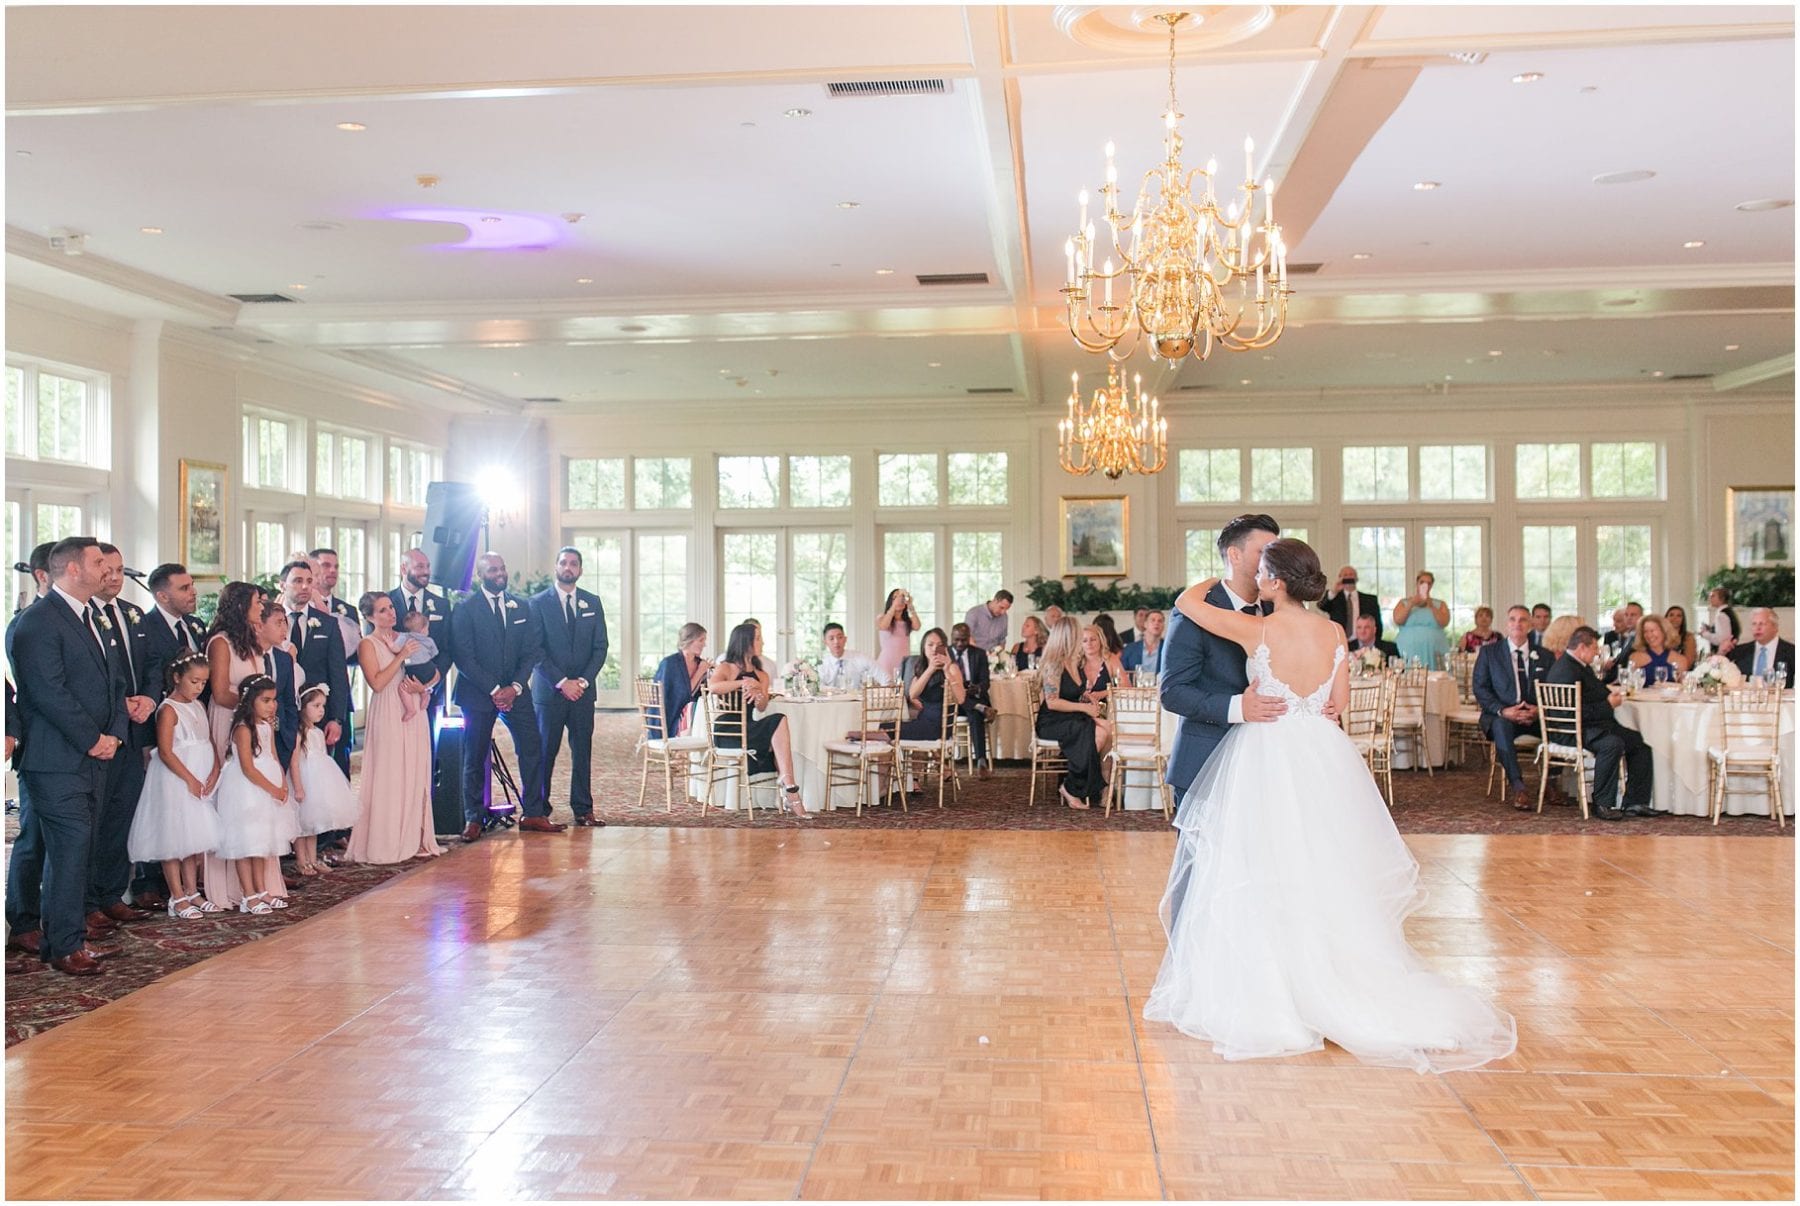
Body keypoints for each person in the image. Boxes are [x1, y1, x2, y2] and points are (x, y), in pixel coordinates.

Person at [1144, 537, 1516, 1071]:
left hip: (1266, 751)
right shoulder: (1335, 631)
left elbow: (1186, 603)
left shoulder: (1259, 629)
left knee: (1260, 866)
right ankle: (1333, 980)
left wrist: (1220, 572)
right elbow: (1337, 705)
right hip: (1322, 755)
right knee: (1322, 866)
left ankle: (1276, 989)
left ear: (1275, 581)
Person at [10, 538, 130, 975]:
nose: (108, 569)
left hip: (96, 753)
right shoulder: (37, 621)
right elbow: (47, 692)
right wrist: (90, 738)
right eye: (99, 562)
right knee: (69, 849)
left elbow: (115, 683)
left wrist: (115, 733)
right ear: (73, 570)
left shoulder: (92, 615)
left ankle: (67, 937)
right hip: (56, 757)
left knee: (82, 847)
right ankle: (64, 946)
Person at [1162, 514, 1287, 801]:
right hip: (1206, 758)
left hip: (1269, 763)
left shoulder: (1279, 609)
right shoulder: (1195, 610)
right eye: (1265, 553)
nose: (1275, 562)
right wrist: (1238, 707)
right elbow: (1173, 693)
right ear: (1235, 554)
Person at [449, 553, 555, 841]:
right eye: (493, 570)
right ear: (481, 575)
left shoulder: (522, 606)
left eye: (502, 568)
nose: (500, 573)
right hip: (478, 693)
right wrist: (495, 690)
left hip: (517, 692)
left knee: (532, 748)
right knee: (475, 755)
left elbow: (533, 649)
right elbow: (464, 656)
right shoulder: (466, 609)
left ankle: (533, 812)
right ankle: (474, 817)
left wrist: (516, 687)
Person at [86, 544, 157, 932]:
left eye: (120, 570)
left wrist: (147, 697)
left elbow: (152, 663)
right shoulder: (86, 617)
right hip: (103, 730)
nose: (113, 577)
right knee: (94, 820)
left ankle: (114, 893)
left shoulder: (132, 613)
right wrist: (120, 705)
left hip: (135, 727)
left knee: (121, 815)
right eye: (106, 569)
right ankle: (89, 900)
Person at [202, 582, 282, 911]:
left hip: (257, 724)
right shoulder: (220, 643)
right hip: (229, 723)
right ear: (239, 607)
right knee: (233, 801)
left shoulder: (253, 644)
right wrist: (251, 706)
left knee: (259, 805)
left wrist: (262, 711)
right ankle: (233, 888)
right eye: (255, 602)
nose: (261, 607)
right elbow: (220, 692)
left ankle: (262, 885)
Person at [348, 592, 442, 864]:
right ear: (369, 617)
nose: (390, 614)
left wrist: (424, 687)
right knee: (391, 772)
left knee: (414, 769)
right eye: (382, 611)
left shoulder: (405, 636)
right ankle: (386, 841)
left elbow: (432, 670)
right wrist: (400, 656)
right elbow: (377, 683)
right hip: (388, 708)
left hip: (412, 705)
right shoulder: (368, 644)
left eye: (390, 608)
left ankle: (414, 837)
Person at [126, 652, 221, 919]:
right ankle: (176, 896)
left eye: (203, 683)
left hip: (199, 777)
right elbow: (166, 751)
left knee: (192, 838)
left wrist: (214, 769)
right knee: (173, 838)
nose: (199, 687)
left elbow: (209, 740)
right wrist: (189, 778)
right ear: (177, 677)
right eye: (194, 681)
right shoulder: (168, 709)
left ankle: (192, 891)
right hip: (175, 780)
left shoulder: (199, 706)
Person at [530, 546, 610, 828]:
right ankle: (538, 810)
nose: (568, 567)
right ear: (556, 566)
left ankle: (583, 809)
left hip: (583, 694)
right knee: (545, 752)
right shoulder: (538, 603)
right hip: (550, 693)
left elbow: (601, 648)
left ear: (580, 570)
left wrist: (582, 682)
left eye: (574, 563)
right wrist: (562, 682)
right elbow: (535, 649)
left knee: (582, 753)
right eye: (564, 562)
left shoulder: (592, 602)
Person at [1546, 627, 1655, 819]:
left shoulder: (1578, 665)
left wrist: (1608, 695)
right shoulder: (1566, 670)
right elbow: (1570, 712)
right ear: (1582, 647)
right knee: (1612, 744)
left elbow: (1593, 691)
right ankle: (1602, 803)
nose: (1597, 652)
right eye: (1595, 647)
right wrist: (1607, 704)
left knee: (1639, 744)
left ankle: (1636, 802)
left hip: (1593, 725)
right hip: (1573, 730)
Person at [212, 675, 299, 913]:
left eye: (274, 700)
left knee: (262, 841)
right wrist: (271, 789)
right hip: (247, 790)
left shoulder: (266, 725)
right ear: (250, 701)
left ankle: (261, 890)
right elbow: (248, 768)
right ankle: (248, 895)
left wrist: (282, 784)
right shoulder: (242, 729)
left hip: (268, 785)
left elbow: (272, 755)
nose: (272, 705)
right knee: (246, 842)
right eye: (266, 700)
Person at [707, 622, 808, 818]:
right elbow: (713, 687)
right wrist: (743, 682)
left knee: (778, 719)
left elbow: (761, 707)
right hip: (728, 728)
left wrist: (760, 696)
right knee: (777, 724)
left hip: (749, 726)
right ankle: (791, 793)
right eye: (758, 638)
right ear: (745, 642)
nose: (762, 642)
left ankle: (789, 785)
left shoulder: (762, 674)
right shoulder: (726, 667)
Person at [1473, 606, 1554, 811]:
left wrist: (1539, 709)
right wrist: (1503, 710)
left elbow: (1552, 689)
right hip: (1504, 715)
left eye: (1523, 620)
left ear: (1530, 624)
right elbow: (1480, 689)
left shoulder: (1544, 655)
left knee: (1558, 723)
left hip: (1536, 716)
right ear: (1507, 623)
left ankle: (1551, 782)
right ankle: (1518, 786)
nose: (1517, 624)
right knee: (1500, 727)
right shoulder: (1490, 653)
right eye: (1512, 619)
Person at [275, 560, 350, 769]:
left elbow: (338, 673)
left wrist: (336, 718)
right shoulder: (269, 620)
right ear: (282, 585)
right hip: (279, 710)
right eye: (298, 581)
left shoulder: (327, 623)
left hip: (317, 712)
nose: (305, 586)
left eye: (309, 581)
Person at [1035, 616, 1106, 809]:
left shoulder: (1073, 662)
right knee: (1095, 732)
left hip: (1068, 717)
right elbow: (1052, 702)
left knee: (1104, 730)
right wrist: (1084, 708)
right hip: (1051, 722)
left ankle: (1075, 783)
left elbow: (1074, 691)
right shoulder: (1054, 665)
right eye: (1078, 634)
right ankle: (1071, 786)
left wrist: (1087, 697)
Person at [289, 684, 358, 875]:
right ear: (303, 706)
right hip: (303, 781)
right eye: (316, 706)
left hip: (318, 783)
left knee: (313, 824)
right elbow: (294, 762)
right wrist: (298, 787)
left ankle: (312, 859)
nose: (321, 711)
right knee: (301, 824)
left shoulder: (318, 733)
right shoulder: (298, 734)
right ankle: (301, 861)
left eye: (323, 706)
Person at [308, 547, 362, 776]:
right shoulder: (301, 608)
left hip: (339, 695)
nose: (332, 571)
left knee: (341, 758)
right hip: (309, 695)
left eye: (336, 566)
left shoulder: (347, 610)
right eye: (326, 565)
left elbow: (355, 655)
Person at [389, 548, 453, 724]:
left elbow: (447, 650)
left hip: (431, 693)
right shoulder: (385, 602)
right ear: (403, 569)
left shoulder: (442, 605)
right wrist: (405, 683)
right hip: (394, 689)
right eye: (419, 566)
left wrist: (429, 684)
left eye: (427, 566)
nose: (426, 571)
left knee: (428, 748)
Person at [899, 627, 966, 748]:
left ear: (945, 648)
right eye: (930, 645)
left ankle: (855, 735)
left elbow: (961, 699)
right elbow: (913, 694)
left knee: (888, 730)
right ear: (923, 648)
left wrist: (946, 671)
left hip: (940, 725)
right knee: (886, 729)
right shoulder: (921, 668)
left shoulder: (952, 668)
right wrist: (930, 669)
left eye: (939, 645)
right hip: (923, 720)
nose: (934, 649)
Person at [948, 623, 993, 776]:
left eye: (964, 640)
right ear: (951, 638)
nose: (960, 644)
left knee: (975, 715)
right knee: (975, 708)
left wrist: (977, 688)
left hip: (973, 695)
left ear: (969, 638)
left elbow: (986, 681)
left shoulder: (979, 654)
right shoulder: (945, 653)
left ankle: (981, 761)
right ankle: (980, 707)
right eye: (956, 640)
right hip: (953, 700)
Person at [652, 623, 712, 738]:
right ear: (689, 640)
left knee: (709, 712)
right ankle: (697, 749)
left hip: (693, 716)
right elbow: (683, 696)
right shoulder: (670, 664)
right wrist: (700, 671)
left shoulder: (700, 663)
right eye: (701, 640)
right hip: (671, 717)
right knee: (696, 710)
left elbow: (703, 693)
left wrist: (711, 675)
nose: (704, 644)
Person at [1393, 571, 1450, 669]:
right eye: (1422, 582)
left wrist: (1431, 606)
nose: (1425, 585)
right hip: (1408, 648)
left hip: (1434, 648)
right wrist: (1411, 603)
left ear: (1432, 585)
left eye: (1428, 583)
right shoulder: (1404, 603)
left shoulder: (1440, 604)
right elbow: (1398, 620)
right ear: (1417, 583)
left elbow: (1444, 622)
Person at [1077, 624, 1117, 757]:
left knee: (1106, 729)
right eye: (1084, 640)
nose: (1089, 643)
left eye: (1093, 639)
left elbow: (1126, 687)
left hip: (1105, 712)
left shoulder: (1110, 659)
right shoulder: (1074, 662)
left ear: (1101, 640)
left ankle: (1102, 773)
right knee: (1105, 730)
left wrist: (1102, 693)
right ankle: (1089, 770)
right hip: (1080, 713)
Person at [392, 608, 441, 718]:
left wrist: (390, 644)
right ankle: (425, 693)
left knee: (403, 688)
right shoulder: (429, 640)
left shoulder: (404, 636)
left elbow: (395, 649)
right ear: (424, 630)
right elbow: (434, 653)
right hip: (429, 668)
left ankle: (410, 709)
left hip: (413, 669)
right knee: (423, 683)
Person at [1728, 608, 1795, 687]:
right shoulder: (1740, 651)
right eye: (1754, 624)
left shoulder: (1792, 652)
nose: (1757, 628)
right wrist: (1721, 652)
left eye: (1762, 624)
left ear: (1775, 627)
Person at [1322, 566, 1382, 641]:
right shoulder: (1334, 598)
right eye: (1345, 575)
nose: (1348, 577)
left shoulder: (1370, 600)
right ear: (1340, 578)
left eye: (1351, 574)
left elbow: (1377, 624)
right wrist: (1334, 591)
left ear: (1356, 578)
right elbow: (1322, 606)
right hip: (1339, 640)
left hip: (1362, 643)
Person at [819, 622, 885, 690]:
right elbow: (819, 688)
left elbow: (884, 677)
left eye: (840, 637)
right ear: (825, 642)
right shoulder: (822, 664)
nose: (836, 641)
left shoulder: (860, 657)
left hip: (857, 699)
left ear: (845, 639)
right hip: (830, 699)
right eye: (831, 638)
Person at [1627, 615, 1688, 684]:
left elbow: (1684, 688)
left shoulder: (1680, 660)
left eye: (1652, 631)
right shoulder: (1635, 658)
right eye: (1645, 631)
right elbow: (1630, 686)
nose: (1649, 635)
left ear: (1664, 632)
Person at [876, 589, 920, 681]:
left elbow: (917, 626)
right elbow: (884, 625)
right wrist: (893, 606)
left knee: (904, 690)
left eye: (901, 598)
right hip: (887, 662)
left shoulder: (907, 621)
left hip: (904, 662)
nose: (899, 600)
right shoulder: (882, 617)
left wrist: (911, 606)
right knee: (886, 690)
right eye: (895, 598)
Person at [1121, 609, 1167, 676]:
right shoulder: (1130, 649)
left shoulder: (1169, 649)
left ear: (1163, 626)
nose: (1156, 623)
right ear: (1145, 624)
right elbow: (1122, 673)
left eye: (1160, 621)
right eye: (1153, 620)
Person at [1702, 586, 1741, 654]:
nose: (1710, 598)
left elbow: (1721, 639)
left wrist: (1704, 634)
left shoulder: (1722, 615)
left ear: (1722, 598)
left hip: (1725, 653)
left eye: (1713, 596)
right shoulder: (1728, 612)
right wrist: (1711, 629)